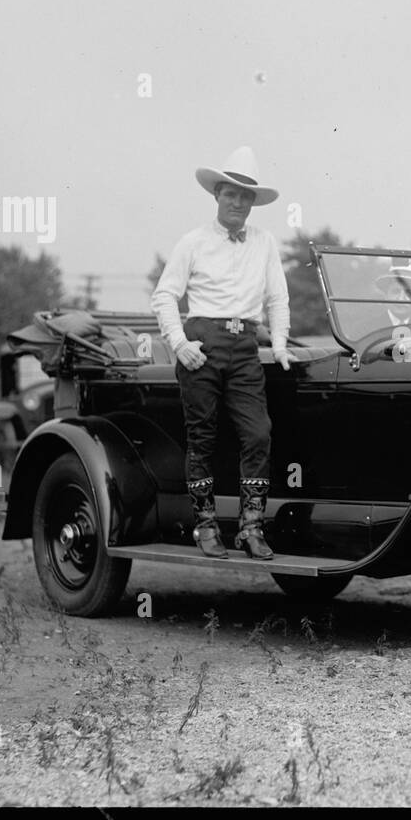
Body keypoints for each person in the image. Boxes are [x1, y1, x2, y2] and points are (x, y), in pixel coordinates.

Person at [151, 146, 294, 560]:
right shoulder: (193, 242)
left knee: (258, 433)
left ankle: (251, 529)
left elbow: (278, 300)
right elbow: (164, 297)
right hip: (202, 345)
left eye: (246, 196)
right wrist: (180, 345)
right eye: (231, 194)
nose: (238, 202)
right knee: (203, 437)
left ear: (253, 202)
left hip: (245, 346)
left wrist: (281, 344)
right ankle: (206, 526)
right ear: (217, 195)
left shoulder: (265, 243)